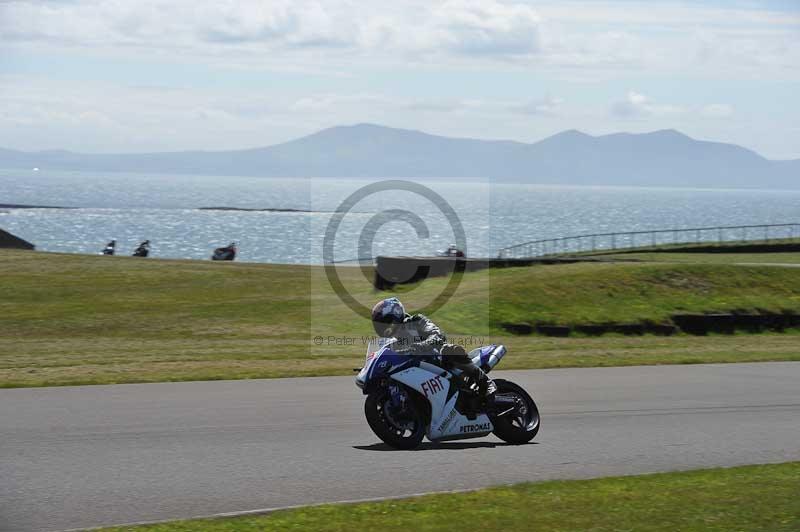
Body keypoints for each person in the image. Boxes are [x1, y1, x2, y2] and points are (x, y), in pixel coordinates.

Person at [370, 297, 495, 402]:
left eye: (384, 322)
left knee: (449, 350)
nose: (382, 327)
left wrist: (422, 345)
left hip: (437, 361)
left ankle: (485, 382)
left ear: (395, 316)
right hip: (415, 371)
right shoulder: (389, 341)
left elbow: (437, 335)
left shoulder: (417, 321)